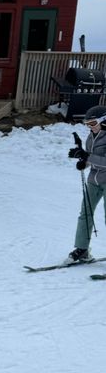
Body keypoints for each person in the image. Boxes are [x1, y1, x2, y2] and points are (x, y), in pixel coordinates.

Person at [67, 104, 106, 263]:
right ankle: (82, 249)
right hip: (94, 180)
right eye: (87, 124)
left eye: (92, 124)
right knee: (85, 214)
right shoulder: (91, 137)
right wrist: (84, 162)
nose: (90, 127)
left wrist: (87, 157)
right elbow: (91, 158)